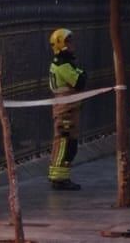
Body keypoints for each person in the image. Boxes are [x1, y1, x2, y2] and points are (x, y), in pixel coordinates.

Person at [47, 28, 88, 190]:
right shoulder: (62, 65)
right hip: (66, 110)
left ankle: (60, 176)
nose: (72, 45)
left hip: (68, 109)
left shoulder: (64, 63)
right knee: (65, 144)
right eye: (68, 41)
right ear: (61, 44)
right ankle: (58, 179)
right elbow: (79, 80)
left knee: (68, 143)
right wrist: (82, 74)